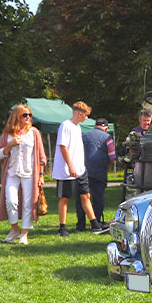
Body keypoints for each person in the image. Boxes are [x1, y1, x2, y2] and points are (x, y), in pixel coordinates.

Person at [0, 105, 47, 244]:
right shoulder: (7, 133)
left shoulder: (34, 132)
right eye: (25, 115)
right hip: (12, 172)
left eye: (30, 115)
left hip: (29, 173)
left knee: (28, 203)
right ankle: (14, 230)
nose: (28, 117)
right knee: (11, 202)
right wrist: (10, 144)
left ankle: (24, 234)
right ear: (17, 116)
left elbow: (41, 157)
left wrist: (41, 175)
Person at [52, 101, 105, 236]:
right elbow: (63, 146)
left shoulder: (77, 127)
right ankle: (62, 228)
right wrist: (70, 166)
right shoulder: (65, 125)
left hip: (80, 170)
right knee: (64, 198)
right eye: (86, 115)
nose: (86, 118)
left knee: (85, 195)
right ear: (79, 114)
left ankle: (95, 225)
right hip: (67, 171)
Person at [75, 118, 115, 232]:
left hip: (82, 171)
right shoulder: (107, 137)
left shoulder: (84, 136)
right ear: (106, 128)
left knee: (81, 198)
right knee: (98, 198)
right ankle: (96, 222)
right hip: (99, 171)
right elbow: (112, 156)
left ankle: (80, 225)